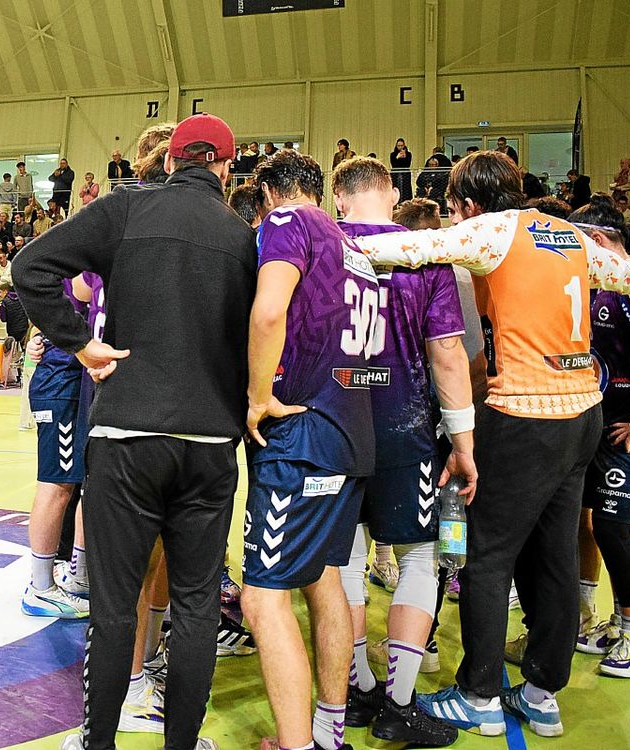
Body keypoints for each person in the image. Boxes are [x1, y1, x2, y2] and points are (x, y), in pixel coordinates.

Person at [352, 151, 630, 738]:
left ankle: (480, 693)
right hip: (583, 413)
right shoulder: (571, 234)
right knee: (556, 556)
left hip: (522, 416)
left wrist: (325, 239)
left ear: (465, 203)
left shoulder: (491, 231)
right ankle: (542, 693)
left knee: (487, 555)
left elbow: (405, 249)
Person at [14, 113, 254, 750]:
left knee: (115, 602)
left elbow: (31, 267)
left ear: (171, 160)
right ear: (227, 169)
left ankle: (98, 743)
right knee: (198, 604)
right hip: (209, 442)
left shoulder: (126, 210)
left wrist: (80, 344)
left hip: (125, 437)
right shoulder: (244, 237)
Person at [235, 150, 383, 750]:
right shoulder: (352, 247)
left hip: (301, 437)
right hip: (354, 432)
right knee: (324, 579)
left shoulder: (285, 222)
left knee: (263, 599)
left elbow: (270, 311)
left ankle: (296, 746)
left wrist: (257, 395)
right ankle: (327, 732)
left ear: (270, 190)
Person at [331, 158, 472, 748]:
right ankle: (400, 701)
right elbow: (447, 354)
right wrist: (464, 442)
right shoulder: (426, 252)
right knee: (419, 558)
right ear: (392, 191)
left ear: (339, 197)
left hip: (334, 426)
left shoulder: (321, 247)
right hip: (404, 427)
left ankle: (359, 688)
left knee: (346, 559)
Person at [561, 198, 630, 680]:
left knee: (615, 528)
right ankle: (599, 618)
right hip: (599, 420)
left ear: (595, 241)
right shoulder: (595, 285)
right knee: (591, 523)